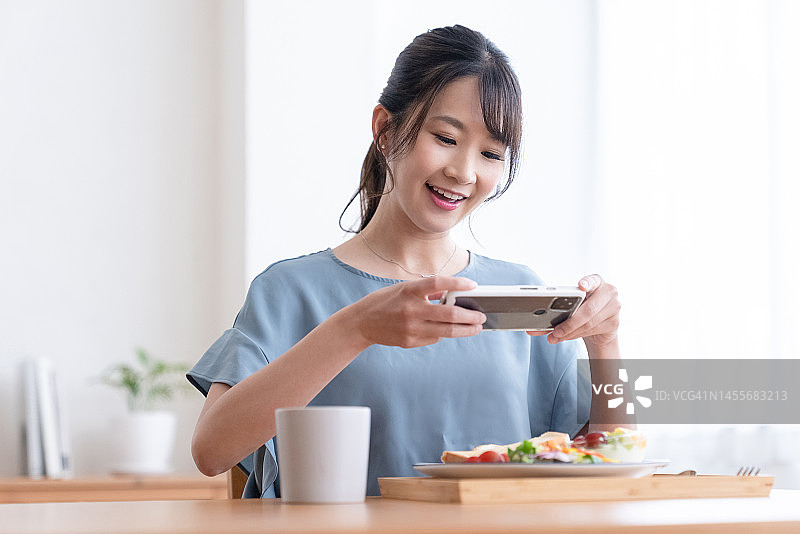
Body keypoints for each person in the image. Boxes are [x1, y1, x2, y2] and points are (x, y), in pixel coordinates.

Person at [187, 25, 623, 498]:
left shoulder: (522, 296)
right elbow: (212, 451)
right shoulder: (290, 291)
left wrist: (606, 346)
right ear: (385, 129)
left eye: (491, 153)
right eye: (445, 137)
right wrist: (356, 328)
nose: (464, 172)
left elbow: (610, 454)